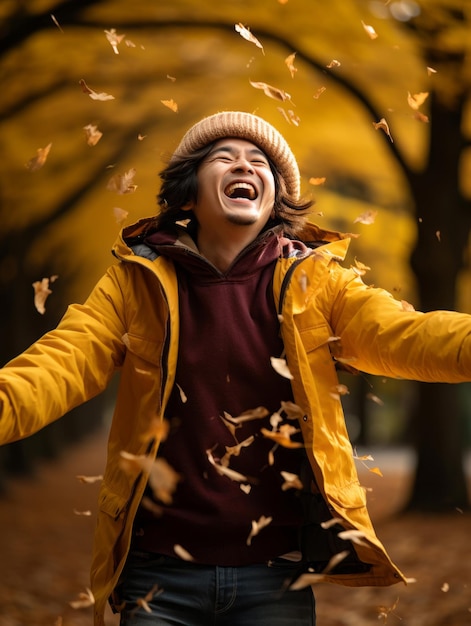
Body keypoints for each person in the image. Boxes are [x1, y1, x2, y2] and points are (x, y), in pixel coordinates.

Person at [1, 110, 470, 626]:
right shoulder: (135, 284)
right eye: (223, 157)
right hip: (157, 576)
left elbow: (408, 335)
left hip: (276, 576)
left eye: (260, 162)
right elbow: (58, 366)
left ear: (276, 198)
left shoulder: (320, 285)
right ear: (188, 192)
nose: (244, 165)